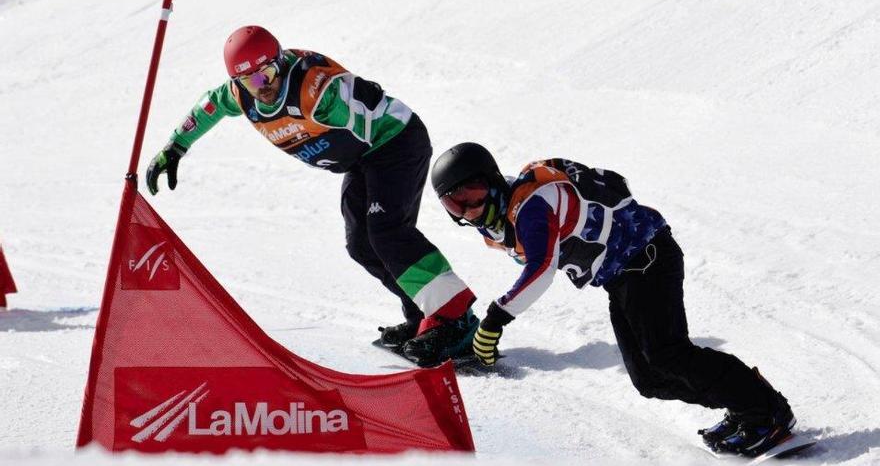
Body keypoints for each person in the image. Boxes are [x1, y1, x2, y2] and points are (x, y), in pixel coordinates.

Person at [429, 142, 796, 456]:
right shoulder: (507, 217)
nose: (468, 210)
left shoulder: (531, 207)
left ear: (492, 182)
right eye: (454, 205)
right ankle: (743, 401)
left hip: (648, 258)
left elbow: (541, 270)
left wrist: (495, 320)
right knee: (648, 379)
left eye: (472, 195)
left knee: (668, 352)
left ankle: (765, 411)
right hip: (623, 274)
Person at [145, 25, 478, 366]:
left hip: (394, 141)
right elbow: (209, 106)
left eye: (269, 73)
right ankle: (423, 318)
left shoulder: (314, 88)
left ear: (280, 61)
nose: (265, 87)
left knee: (388, 231)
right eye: (251, 82)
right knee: (361, 244)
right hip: (363, 158)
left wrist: (340, 110)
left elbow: (360, 104)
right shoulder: (242, 95)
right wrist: (175, 147)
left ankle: (455, 319)